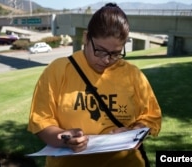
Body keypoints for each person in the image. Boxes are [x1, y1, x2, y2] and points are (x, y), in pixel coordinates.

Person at [27, 3, 161, 167]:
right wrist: (63, 137)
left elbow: (151, 117)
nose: (106, 60)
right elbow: (41, 121)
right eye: (100, 50)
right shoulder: (58, 70)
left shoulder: (133, 75)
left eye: (115, 54)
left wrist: (135, 132)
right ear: (85, 37)